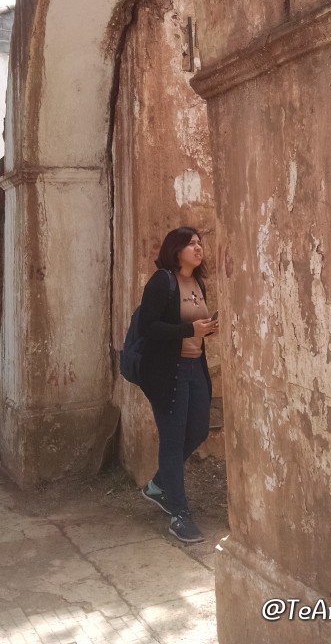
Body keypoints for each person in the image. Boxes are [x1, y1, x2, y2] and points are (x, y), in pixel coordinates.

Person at [138, 226, 218, 543]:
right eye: (191, 244)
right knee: (172, 441)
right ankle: (179, 515)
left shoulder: (198, 283)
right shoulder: (163, 282)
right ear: (175, 250)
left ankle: (158, 484)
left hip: (194, 368)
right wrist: (188, 330)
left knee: (197, 429)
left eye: (200, 243)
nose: (198, 248)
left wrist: (206, 329)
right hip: (167, 372)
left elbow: (193, 328)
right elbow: (148, 326)